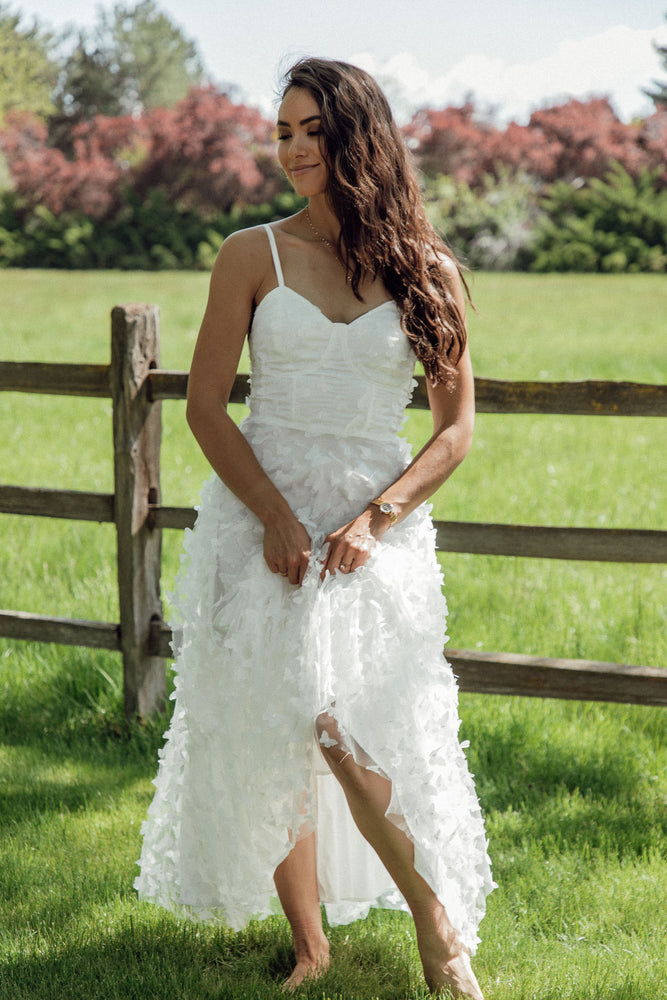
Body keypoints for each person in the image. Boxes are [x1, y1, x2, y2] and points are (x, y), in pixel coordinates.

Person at [135, 57, 494, 999]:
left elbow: (455, 432)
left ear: (356, 134)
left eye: (310, 129)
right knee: (278, 719)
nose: (290, 147)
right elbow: (206, 408)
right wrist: (274, 516)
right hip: (261, 509)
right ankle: (311, 945)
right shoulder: (248, 254)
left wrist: (375, 517)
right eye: (282, 129)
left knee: (347, 719)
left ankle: (437, 927)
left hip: (373, 521)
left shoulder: (429, 270)